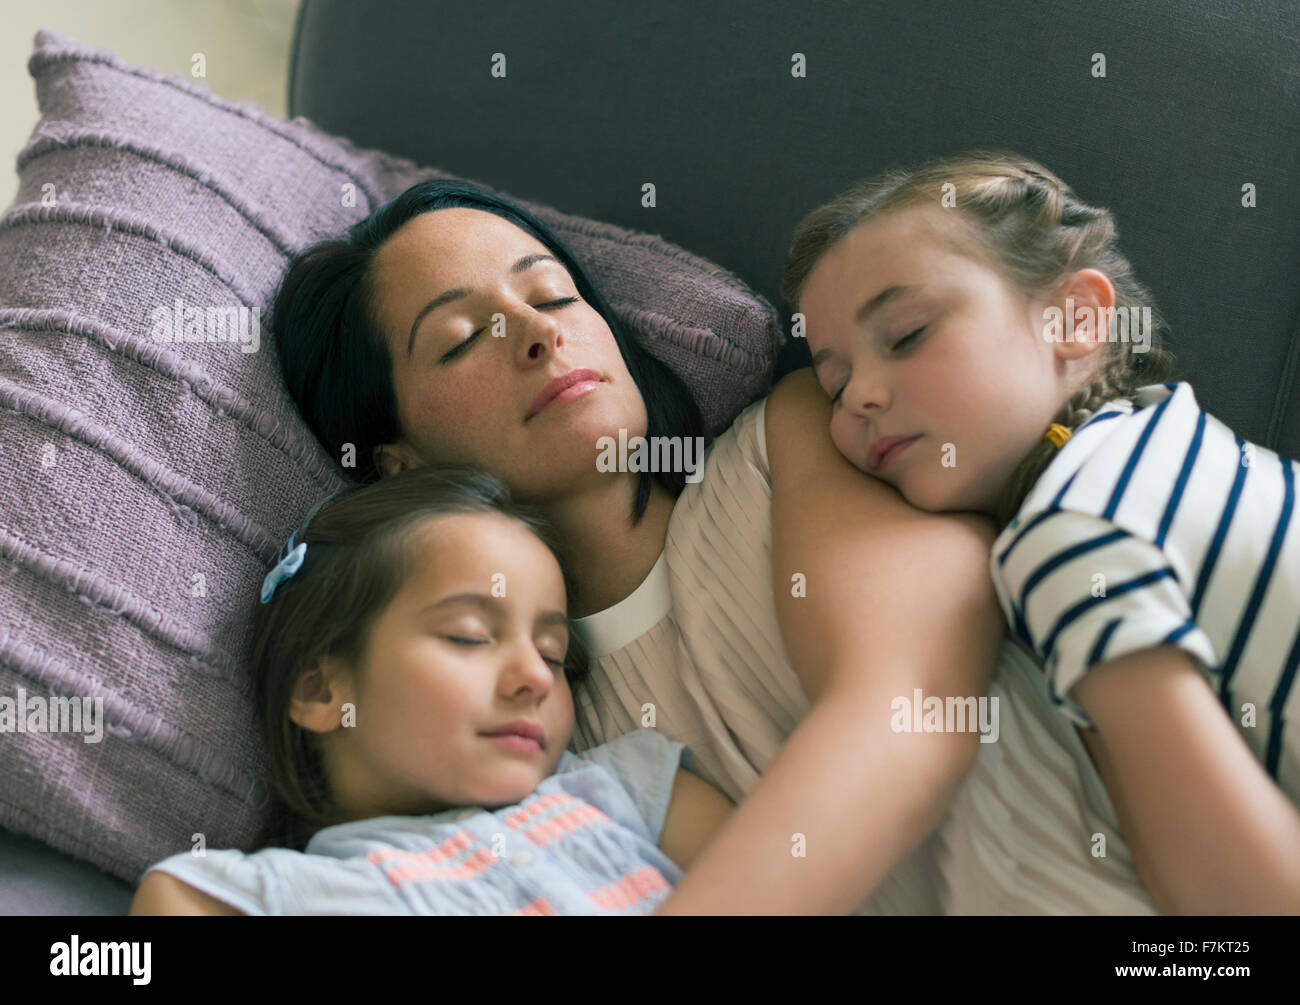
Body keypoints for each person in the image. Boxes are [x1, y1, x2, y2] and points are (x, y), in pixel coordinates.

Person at [260, 178, 1008, 915]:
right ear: (400, 460)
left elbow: (911, 715)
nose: (537, 333)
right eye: (459, 341)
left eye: (552, 295)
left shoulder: (797, 443)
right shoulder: (530, 747)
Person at [786, 148, 1300, 914]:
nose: (858, 393)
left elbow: (1234, 896)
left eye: (906, 333)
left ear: (1075, 318)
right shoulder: (1170, 436)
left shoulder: (1069, 529)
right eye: (831, 384)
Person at [130, 464, 736, 915]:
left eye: (554, 654)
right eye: (470, 637)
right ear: (320, 689)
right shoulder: (295, 892)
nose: (534, 676)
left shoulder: (628, 792)